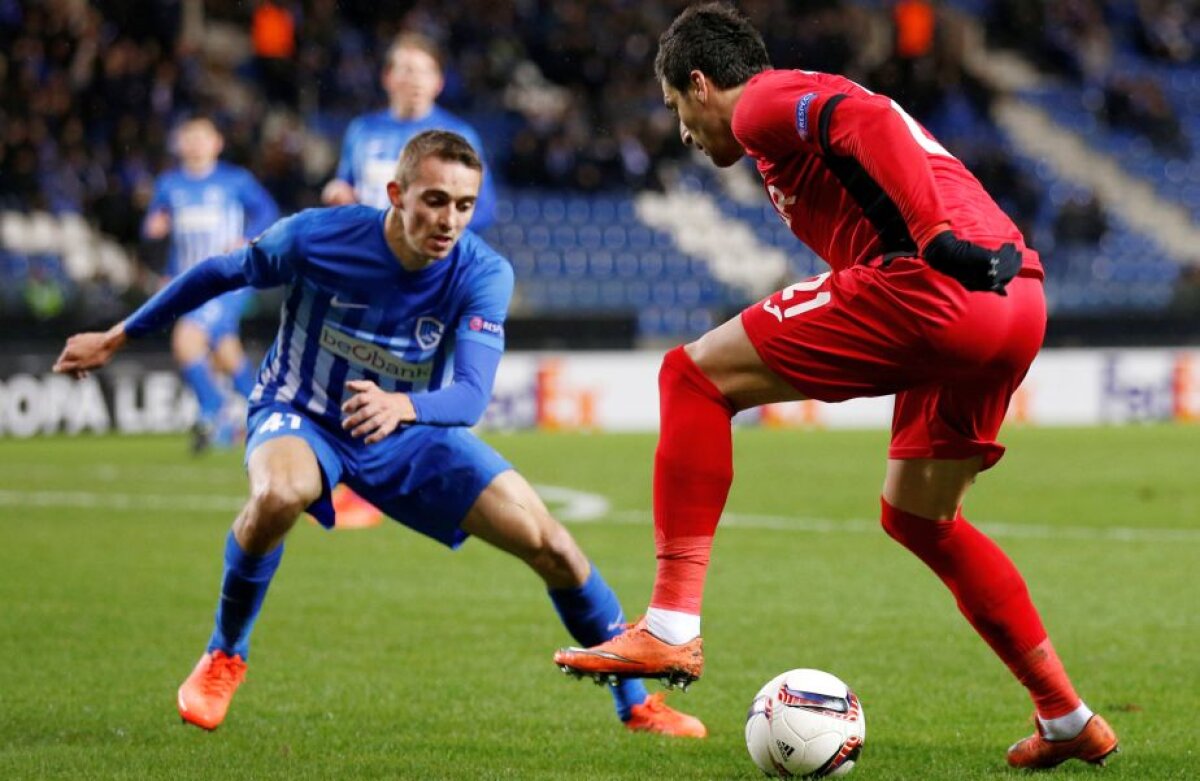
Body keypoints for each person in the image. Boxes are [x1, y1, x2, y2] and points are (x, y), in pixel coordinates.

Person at [553, 4, 1117, 770]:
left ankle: (671, 623)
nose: (681, 130)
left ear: (701, 82)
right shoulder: (783, 118)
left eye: (676, 107)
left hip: (933, 282)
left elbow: (870, 117)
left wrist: (934, 239)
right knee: (921, 517)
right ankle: (1066, 714)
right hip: (1015, 299)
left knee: (690, 376)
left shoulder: (759, 102)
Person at [53, 131, 705, 739]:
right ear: (395, 196)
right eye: (435, 201)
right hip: (301, 411)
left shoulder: (482, 272)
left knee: (553, 545)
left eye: (465, 205)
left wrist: (404, 406)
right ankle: (225, 652)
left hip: (405, 424)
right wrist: (121, 333)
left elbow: (471, 395)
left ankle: (637, 701)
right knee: (280, 493)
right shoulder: (318, 236)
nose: (449, 219)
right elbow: (220, 272)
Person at [322, 31, 497, 526]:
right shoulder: (362, 130)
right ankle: (357, 483)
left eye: (423, 71)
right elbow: (347, 185)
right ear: (387, 78)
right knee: (358, 373)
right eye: (404, 69)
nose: (413, 80)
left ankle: (445, 473)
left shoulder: (458, 135)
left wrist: (437, 243)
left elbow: (483, 208)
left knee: (414, 380)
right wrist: (339, 191)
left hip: (429, 277)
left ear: (439, 81)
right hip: (367, 273)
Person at [143, 117, 280, 451]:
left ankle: (213, 410)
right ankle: (261, 414)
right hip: (188, 282)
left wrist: (247, 238)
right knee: (226, 351)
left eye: (202, 137)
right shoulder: (169, 184)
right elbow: (155, 227)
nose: (195, 144)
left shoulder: (235, 181)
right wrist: (155, 232)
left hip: (228, 279)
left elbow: (268, 211)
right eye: (188, 137)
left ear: (217, 143)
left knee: (186, 340)